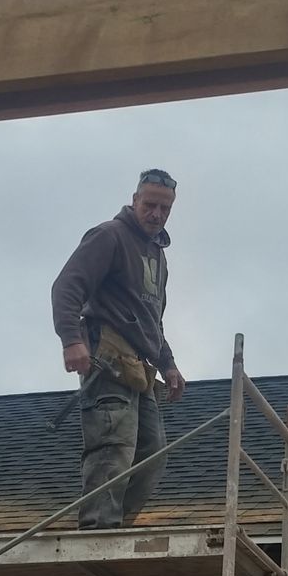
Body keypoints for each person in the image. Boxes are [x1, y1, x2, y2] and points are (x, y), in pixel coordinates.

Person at [50, 168, 187, 529]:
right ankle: (98, 531)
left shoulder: (157, 256)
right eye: (150, 205)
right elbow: (67, 286)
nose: (156, 214)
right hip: (108, 360)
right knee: (113, 449)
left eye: (165, 208)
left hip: (140, 368)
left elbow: (150, 319)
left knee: (152, 454)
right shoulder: (109, 236)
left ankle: (114, 529)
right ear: (135, 200)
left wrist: (168, 364)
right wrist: (72, 340)